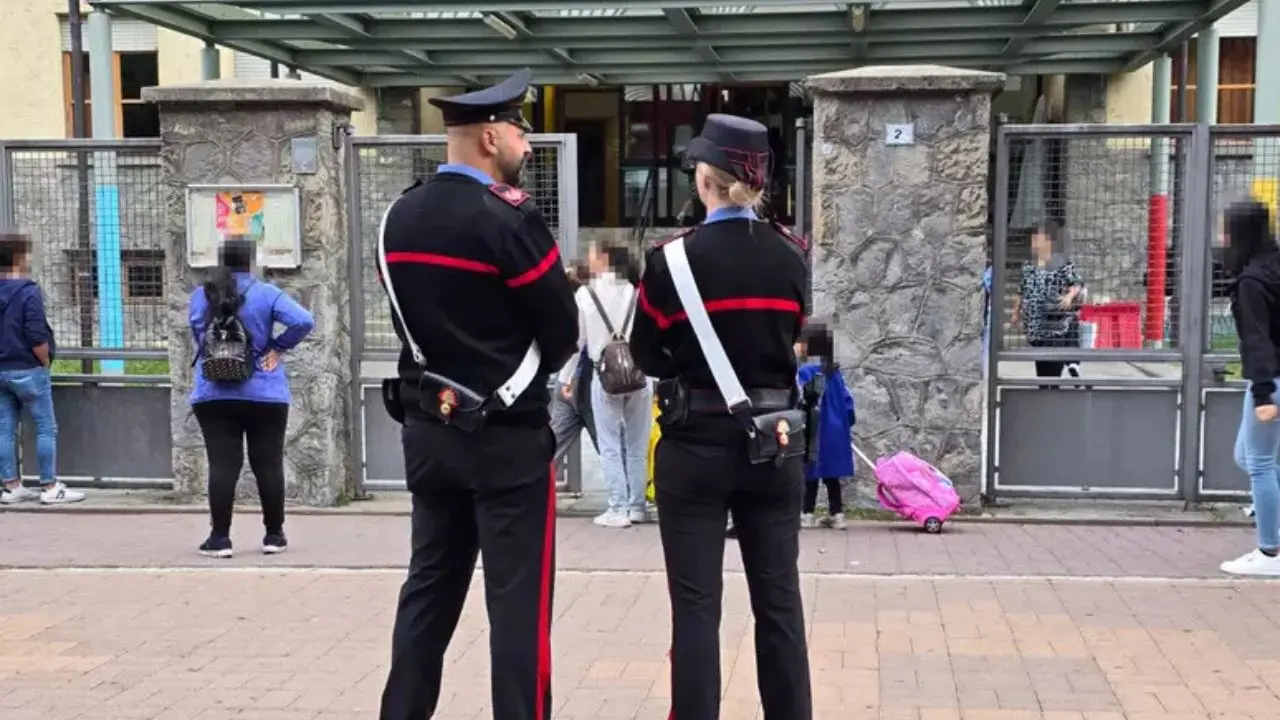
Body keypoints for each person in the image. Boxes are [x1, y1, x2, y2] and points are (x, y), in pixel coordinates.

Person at [376, 68, 578, 720]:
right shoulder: (510, 221)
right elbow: (563, 331)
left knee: (428, 591)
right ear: (491, 136)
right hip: (508, 441)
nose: (525, 140)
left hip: (430, 435)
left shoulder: (397, 217)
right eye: (519, 127)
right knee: (518, 609)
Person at [630, 113, 813, 719]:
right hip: (773, 442)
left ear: (705, 180)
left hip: (695, 443)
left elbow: (649, 353)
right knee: (780, 603)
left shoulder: (672, 261)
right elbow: (794, 335)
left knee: (696, 609)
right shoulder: (792, 256)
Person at [188, 237, 314, 558]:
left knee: (222, 465)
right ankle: (273, 535)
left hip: (214, 393)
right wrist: (277, 348)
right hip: (265, 392)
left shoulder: (201, 296)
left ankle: (219, 539)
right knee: (268, 463)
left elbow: (199, 335)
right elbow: (303, 320)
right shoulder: (267, 293)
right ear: (251, 262)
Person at [558, 241, 651, 528]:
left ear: (605, 259)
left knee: (610, 443)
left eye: (592, 253)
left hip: (606, 375)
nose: (588, 258)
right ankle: (637, 505)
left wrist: (566, 378)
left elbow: (577, 343)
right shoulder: (637, 292)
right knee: (636, 444)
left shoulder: (586, 295)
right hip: (639, 375)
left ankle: (618, 507)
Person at [1219, 200, 1280, 576]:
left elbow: (1257, 341)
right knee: (1249, 456)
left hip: (1270, 380)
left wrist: (1263, 394)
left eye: (1227, 230)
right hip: (1271, 377)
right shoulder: (1272, 266)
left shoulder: (1252, 281)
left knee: (1258, 462)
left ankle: (1269, 552)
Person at [0, 232, 81, 506]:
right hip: (27, 368)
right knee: (46, 427)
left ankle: (11, 487)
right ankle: (49, 486)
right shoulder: (28, 291)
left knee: (4, 429)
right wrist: (44, 360)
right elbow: (35, 332)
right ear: (18, 257)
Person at [796, 322, 855, 530]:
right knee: (831, 475)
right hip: (835, 430)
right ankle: (837, 513)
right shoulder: (833, 373)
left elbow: (805, 399)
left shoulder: (806, 372)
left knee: (810, 473)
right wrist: (846, 423)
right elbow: (847, 403)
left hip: (814, 430)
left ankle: (807, 513)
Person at [1010, 221, 1084, 382]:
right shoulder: (1028, 266)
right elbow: (1020, 290)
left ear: (1049, 242)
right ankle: (1047, 386)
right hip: (1035, 325)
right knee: (1042, 367)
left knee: (1052, 366)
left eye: (1038, 239)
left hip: (1054, 322)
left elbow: (1077, 284)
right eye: (1033, 240)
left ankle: (1067, 368)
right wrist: (1015, 312)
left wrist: (1069, 296)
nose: (1034, 243)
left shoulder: (1062, 263)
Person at [550, 263, 599, 464]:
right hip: (591, 385)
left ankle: (535, 492)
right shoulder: (597, 306)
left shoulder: (568, 310)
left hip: (566, 383)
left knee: (551, 449)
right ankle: (629, 494)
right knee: (611, 449)